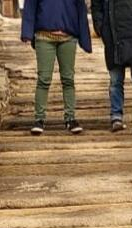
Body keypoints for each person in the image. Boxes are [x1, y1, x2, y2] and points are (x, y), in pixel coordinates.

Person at [21, 0, 92, 135]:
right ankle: (39, 119)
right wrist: (27, 33)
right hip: (44, 36)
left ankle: (70, 118)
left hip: (68, 37)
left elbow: (81, 9)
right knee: (44, 79)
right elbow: (30, 5)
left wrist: (85, 39)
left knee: (68, 79)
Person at [91, 0, 132, 136]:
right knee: (115, 81)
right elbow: (96, 5)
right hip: (113, 37)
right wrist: (100, 27)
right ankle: (116, 116)